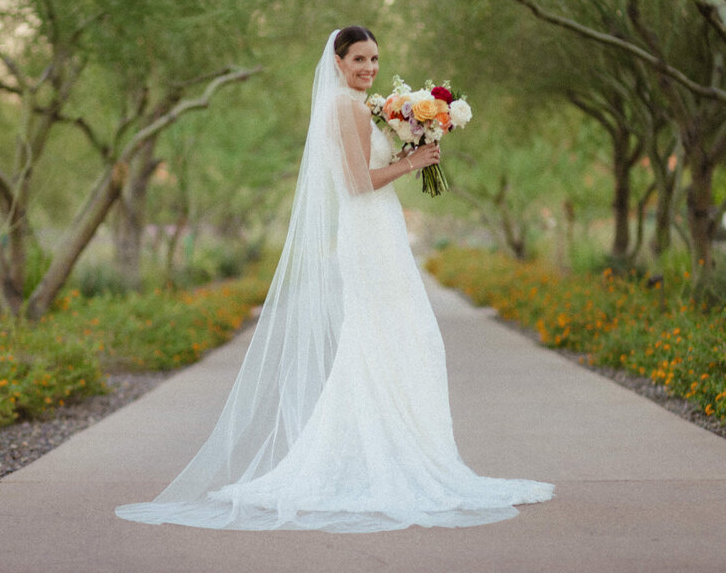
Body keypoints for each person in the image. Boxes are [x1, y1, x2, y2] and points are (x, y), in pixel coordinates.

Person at [115, 27, 553, 532]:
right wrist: (415, 159)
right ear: (339, 62)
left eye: (374, 59)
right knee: (397, 339)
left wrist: (413, 140)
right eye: (359, 59)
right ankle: (384, 457)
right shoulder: (345, 108)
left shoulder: (357, 107)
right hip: (369, 233)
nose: (369, 67)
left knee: (387, 340)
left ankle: (382, 448)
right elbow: (357, 182)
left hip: (375, 231)